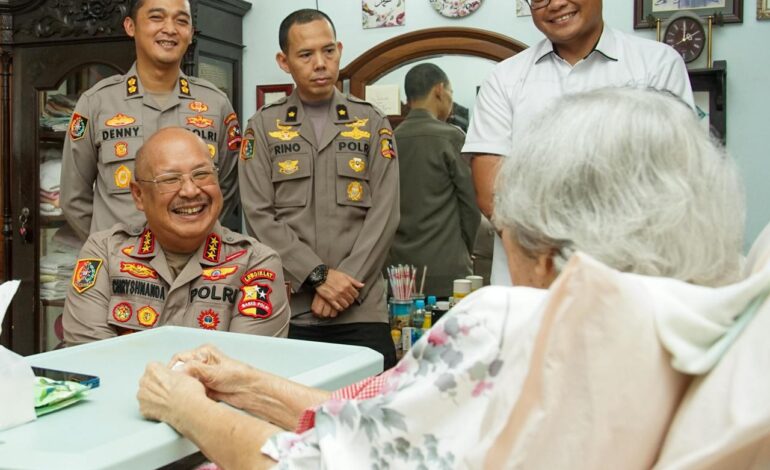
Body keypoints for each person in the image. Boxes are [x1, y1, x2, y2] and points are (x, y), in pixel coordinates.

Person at [136, 88, 744, 468]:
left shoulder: (514, 322)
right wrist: (243, 381)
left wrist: (186, 407)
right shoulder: (701, 339)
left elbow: (307, 464)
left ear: (547, 246)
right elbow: (395, 419)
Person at [463, 0, 695, 286]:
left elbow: (673, 177)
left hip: (631, 282)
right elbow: (491, 193)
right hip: (531, 287)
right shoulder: (504, 79)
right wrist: (549, 264)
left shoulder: (656, 64)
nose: (556, 4)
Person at [238, 9, 399, 367]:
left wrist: (345, 285)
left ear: (340, 49)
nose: (320, 64)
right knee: (290, 416)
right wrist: (318, 277)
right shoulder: (263, 127)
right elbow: (258, 215)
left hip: (361, 309)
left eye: (328, 51)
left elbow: (385, 214)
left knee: (376, 413)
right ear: (284, 61)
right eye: (306, 55)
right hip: (291, 307)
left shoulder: (371, 122)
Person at [63, 128, 289, 345]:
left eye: (201, 174)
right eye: (170, 179)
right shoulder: (104, 252)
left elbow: (243, 369)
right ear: (139, 195)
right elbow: (92, 357)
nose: (190, 191)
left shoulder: (256, 263)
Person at [60, 0, 241, 242]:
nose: (170, 29)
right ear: (130, 26)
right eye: (157, 17)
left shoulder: (216, 103)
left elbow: (226, 188)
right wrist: (111, 249)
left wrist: (192, 237)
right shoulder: (96, 103)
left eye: (181, 21)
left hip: (194, 267)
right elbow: (74, 197)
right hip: (121, 267)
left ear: (190, 33)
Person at [387, 63, 480, 297]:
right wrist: (464, 249)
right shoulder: (451, 138)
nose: (450, 99)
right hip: (446, 269)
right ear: (439, 89)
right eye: (451, 92)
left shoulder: (389, 141)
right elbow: (471, 206)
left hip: (397, 274)